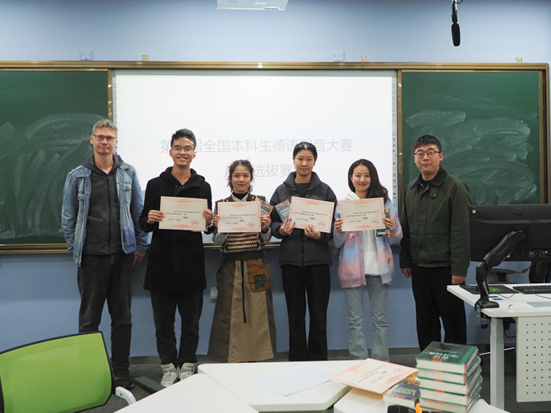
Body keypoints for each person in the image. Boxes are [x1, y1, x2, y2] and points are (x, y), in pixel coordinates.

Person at [61, 119, 147, 390]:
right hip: (91, 259)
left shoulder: (128, 173)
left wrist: (141, 245)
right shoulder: (77, 176)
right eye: (100, 137)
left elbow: (139, 212)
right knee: (89, 320)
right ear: (92, 139)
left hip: (123, 257)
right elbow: (68, 218)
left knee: (122, 320)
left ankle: (121, 371)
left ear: (116, 142)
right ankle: (90, 373)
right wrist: (77, 250)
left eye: (109, 137)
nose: (105, 142)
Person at [139, 128, 214, 387]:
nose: (183, 152)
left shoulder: (203, 186)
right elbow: (143, 222)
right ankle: (168, 366)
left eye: (187, 148)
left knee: (191, 324)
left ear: (194, 153)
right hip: (161, 263)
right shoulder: (155, 184)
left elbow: (209, 228)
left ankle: (188, 364)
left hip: (191, 264)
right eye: (178, 148)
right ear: (170, 152)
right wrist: (149, 218)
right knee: (163, 324)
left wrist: (209, 221)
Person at [399, 134, 471, 352]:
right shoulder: (411, 189)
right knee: (426, 323)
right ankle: (429, 367)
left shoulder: (455, 187)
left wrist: (459, 268)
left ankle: (457, 368)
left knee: (453, 323)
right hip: (420, 269)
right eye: (420, 153)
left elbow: (462, 231)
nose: (425, 157)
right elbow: (405, 227)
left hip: (446, 269)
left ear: (440, 156)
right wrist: (406, 260)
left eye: (430, 152)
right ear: (414, 159)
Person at [270, 142, 337, 361]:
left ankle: (319, 362)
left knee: (319, 316)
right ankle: (297, 362)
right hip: (290, 262)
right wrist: (280, 230)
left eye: (309, 159)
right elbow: (271, 222)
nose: (304, 163)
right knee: (295, 317)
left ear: (315, 161)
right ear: (293, 160)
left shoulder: (325, 191)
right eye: (300, 159)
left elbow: (333, 226)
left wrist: (320, 236)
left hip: (318, 262)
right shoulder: (281, 191)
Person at [208, 160, 277, 362]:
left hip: (256, 264)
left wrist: (265, 228)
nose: (241, 179)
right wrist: (220, 228)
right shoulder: (221, 205)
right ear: (230, 179)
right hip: (230, 266)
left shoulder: (261, 203)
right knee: (229, 314)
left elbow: (266, 240)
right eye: (236, 175)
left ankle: (258, 357)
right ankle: (233, 358)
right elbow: (217, 242)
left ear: (251, 178)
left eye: (245, 175)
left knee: (259, 314)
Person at [333, 159, 402, 361]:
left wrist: (392, 227)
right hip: (352, 269)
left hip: (380, 269)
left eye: (366, 175)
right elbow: (337, 243)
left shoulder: (384, 203)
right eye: (358, 175)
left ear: (373, 178)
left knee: (380, 320)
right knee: (354, 321)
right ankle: (358, 362)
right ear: (351, 178)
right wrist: (339, 230)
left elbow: (397, 238)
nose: (362, 179)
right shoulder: (343, 205)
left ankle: (381, 362)